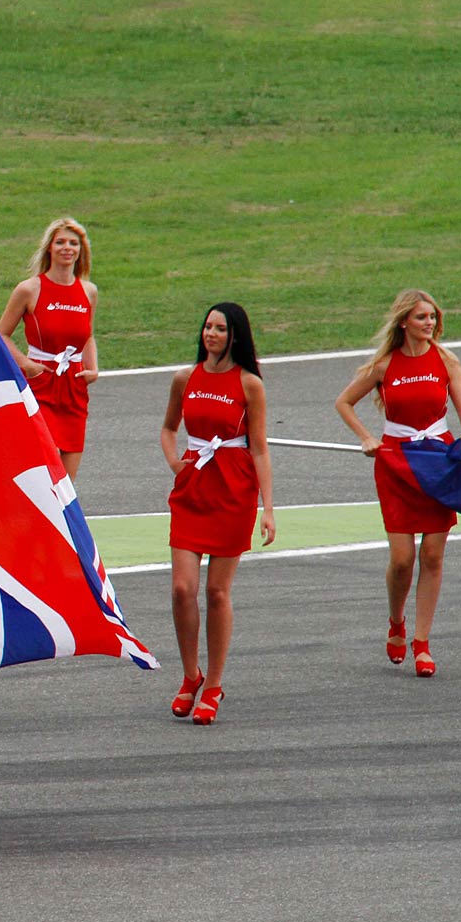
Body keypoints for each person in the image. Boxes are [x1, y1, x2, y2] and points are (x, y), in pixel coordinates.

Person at [335, 289, 461, 678]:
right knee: (402, 560)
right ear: (404, 322)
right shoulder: (384, 366)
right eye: (421, 318)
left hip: (440, 461)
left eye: (432, 317)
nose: (429, 324)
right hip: (396, 462)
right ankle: (396, 622)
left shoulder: (447, 361)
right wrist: (367, 437)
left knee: (432, 555)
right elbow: (343, 402)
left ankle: (422, 643)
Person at [160, 303, 275, 725]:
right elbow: (169, 428)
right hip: (193, 489)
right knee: (180, 588)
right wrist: (175, 462)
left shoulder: (249, 384)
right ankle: (191, 675)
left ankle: (214, 685)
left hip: (234, 490)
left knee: (217, 593)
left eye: (220, 328)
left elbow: (259, 446)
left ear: (235, 335)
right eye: (207, 326)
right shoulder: (184, 378)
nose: (211, 334)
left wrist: (268, 507)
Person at [0, 217, 99, 479]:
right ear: (50, 248)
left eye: (73, 243)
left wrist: (93, 368)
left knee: (67, 480)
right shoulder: (30, 289)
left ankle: (62, 520)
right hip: (42, 383)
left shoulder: (88, 291)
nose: (67, 248)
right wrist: (27, 364)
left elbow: (87, 336)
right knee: (40, 470)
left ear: (81, 250)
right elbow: (2, 335)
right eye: (61, 242)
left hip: (74, 387)